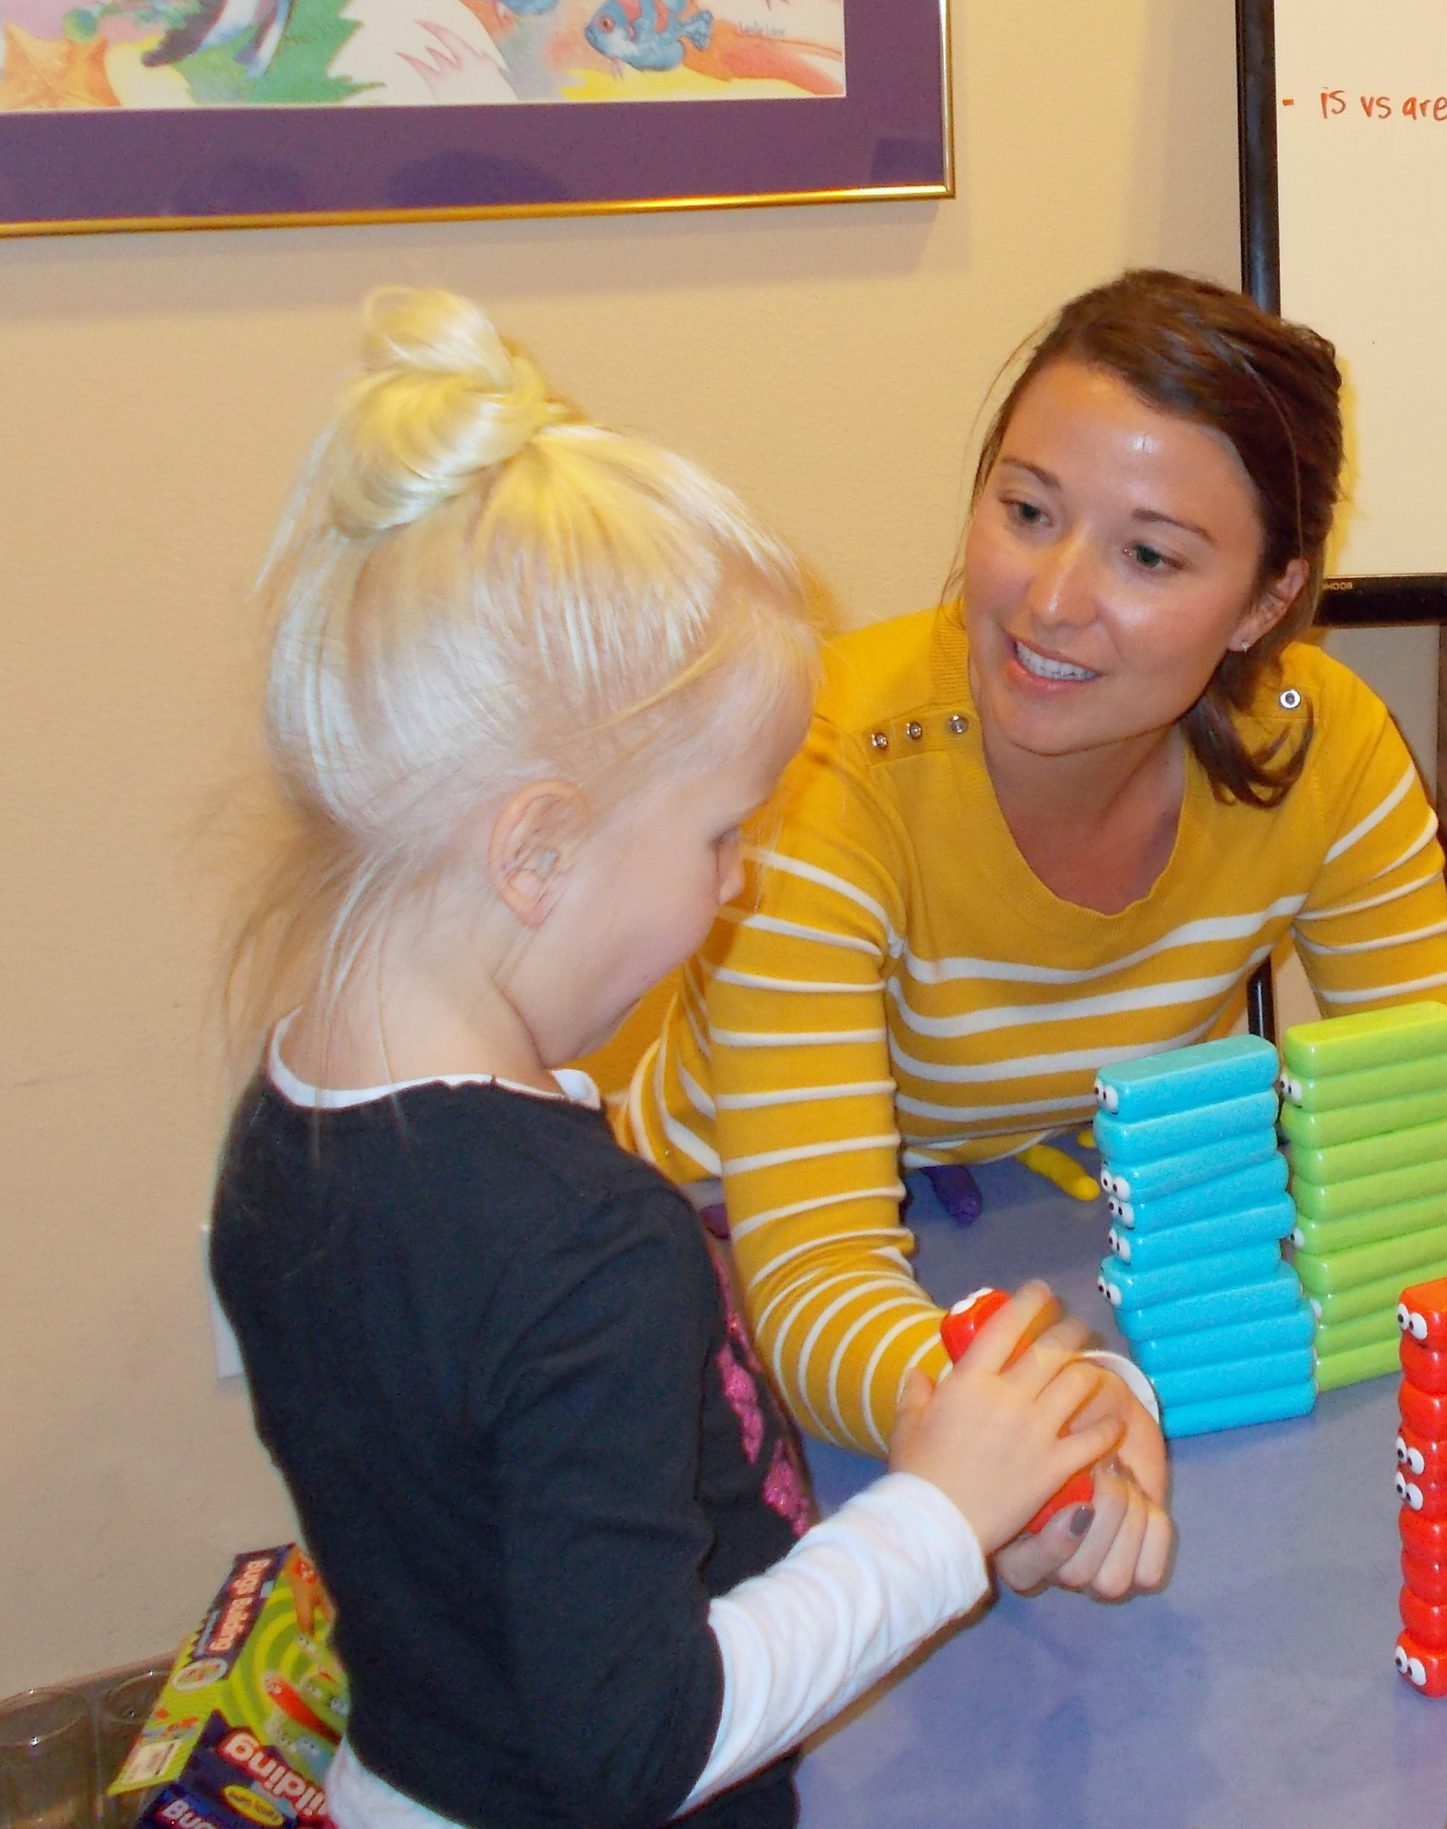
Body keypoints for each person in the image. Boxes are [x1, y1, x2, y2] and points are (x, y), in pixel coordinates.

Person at [210, 290, 1129, 1828]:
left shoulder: (288, 1119)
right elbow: (638, 1744)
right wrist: (939, 1517)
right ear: (538, 848)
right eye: (718, 833)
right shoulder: (584, 1243)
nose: (737, 883)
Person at [615, 269, 1447, 1544]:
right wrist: (1040, 1432)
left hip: (1017, 1223)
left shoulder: (1327, 748)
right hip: (711, 1257)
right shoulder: (816, 770)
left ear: (1265, 602)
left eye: (1148, 554)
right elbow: (814, 1282)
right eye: (1026, 510)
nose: (1050, 600)